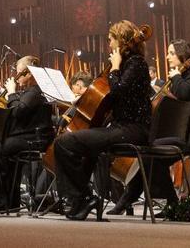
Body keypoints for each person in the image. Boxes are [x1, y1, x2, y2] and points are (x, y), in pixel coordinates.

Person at [53, 21, 151, 221]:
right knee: (84, 148)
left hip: (133, 129)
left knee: (64, 143)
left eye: (110, 40)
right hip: (120, 127)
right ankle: (80, 199)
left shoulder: (136, 63)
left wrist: (114, 68)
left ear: (121, 40)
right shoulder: (127, 64)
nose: (109, 44)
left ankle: (85, 197)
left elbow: (118, 91)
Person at [109, 39, 190, 215]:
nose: (167, 56)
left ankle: (152, 200)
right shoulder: (181, 78)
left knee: (154, 155)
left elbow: (185, 94)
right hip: (183, 134)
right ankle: (135, 199)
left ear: (183, 55)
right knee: (150, 154)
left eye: (172, 53)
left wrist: (176, 77)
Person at [0, 55, 54, 211]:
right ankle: (9, 200)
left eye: (19, 72)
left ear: (29, 73)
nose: (16, 76)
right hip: (29, 136)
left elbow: (18, 112)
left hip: (33, 139)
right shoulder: (32, 91)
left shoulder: (35, 91)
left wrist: (11, 92)